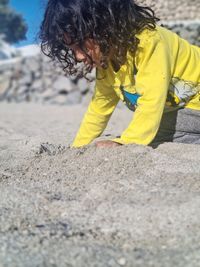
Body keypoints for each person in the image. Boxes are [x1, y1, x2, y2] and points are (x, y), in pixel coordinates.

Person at [39, 0, 200, 148]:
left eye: (80, 44)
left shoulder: (149, 41)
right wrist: (77, 147)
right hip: (182, 111)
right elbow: (98, 110)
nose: (78, 56)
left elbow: (151, 102)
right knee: (153, 127)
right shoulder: (106, 63)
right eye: (72, 49)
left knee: (157, 127)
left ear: (104, 24)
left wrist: (126, 143)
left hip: (195, 103)